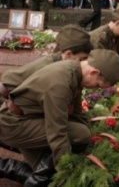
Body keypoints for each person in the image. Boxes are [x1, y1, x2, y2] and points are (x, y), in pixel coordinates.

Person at [0, 48, 119, 186]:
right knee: (80, 134)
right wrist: (67, 168)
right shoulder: (60, 83)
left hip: (29, 119)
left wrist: (91, 140)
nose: (95, 89)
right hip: (14, 124)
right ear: (94, 72)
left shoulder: (75, 71)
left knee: (47, 175)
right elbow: (57, 132)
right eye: (98, 85)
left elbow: (77, 112)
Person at [0, 24, 93, 184]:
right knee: (46, 168)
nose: (85, 63)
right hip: (13, 116)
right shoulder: (51, 68)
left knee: (44, 170)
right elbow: (7, 85)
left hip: (28, 117)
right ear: (69, 54)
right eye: (83, 58)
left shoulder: (66, 68)